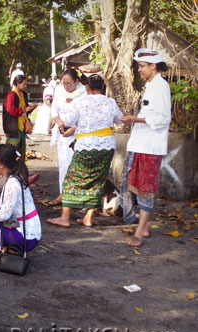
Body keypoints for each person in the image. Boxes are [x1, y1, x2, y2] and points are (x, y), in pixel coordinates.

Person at [46, 75, 123, 228]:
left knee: (71, 179)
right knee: (98, 180)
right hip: (106, 146)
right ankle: (88, 217)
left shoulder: (80, 102)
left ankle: (65, 218)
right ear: (102, 87)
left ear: (87, 87)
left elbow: (67, 121)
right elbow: (120, 121)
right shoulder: (111, 102)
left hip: (86, 147)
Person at [119, 49, 171, 247]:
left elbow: (164, 118)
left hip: (151, 146)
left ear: (153, 66)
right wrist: (136, 120)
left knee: (146, 189)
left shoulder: (161, 86)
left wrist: (136, 119)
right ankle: (144, 226)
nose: (139, 70)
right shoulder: (152, 86)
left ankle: (140, 231)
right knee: (138, 186)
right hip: (141, 143)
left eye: (142, 66)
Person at [48, 69, 87, 206]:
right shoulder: (59, 92)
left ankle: (76, 196)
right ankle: (62, 194)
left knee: (76, 166)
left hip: (77, 134)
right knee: (63, 165)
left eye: (69, 84)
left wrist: (74, 129)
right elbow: (54, 109)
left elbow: (86, 115)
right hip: (61, 131)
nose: (66, 87)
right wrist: (57, 120)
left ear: (77, 81)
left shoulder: (84, 94)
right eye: (64, 83)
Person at [3, 75, 37, 156]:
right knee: (11, 152)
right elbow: (10, 109)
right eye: (24, 84)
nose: (25, 86)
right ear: (18, 83)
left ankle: (20, 168)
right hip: (13, 127)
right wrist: (25, 110)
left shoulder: (24, 94)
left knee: (21, 152)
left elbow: (25, 108)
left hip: (22, 126)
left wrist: (31, 108)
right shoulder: (11, 95)